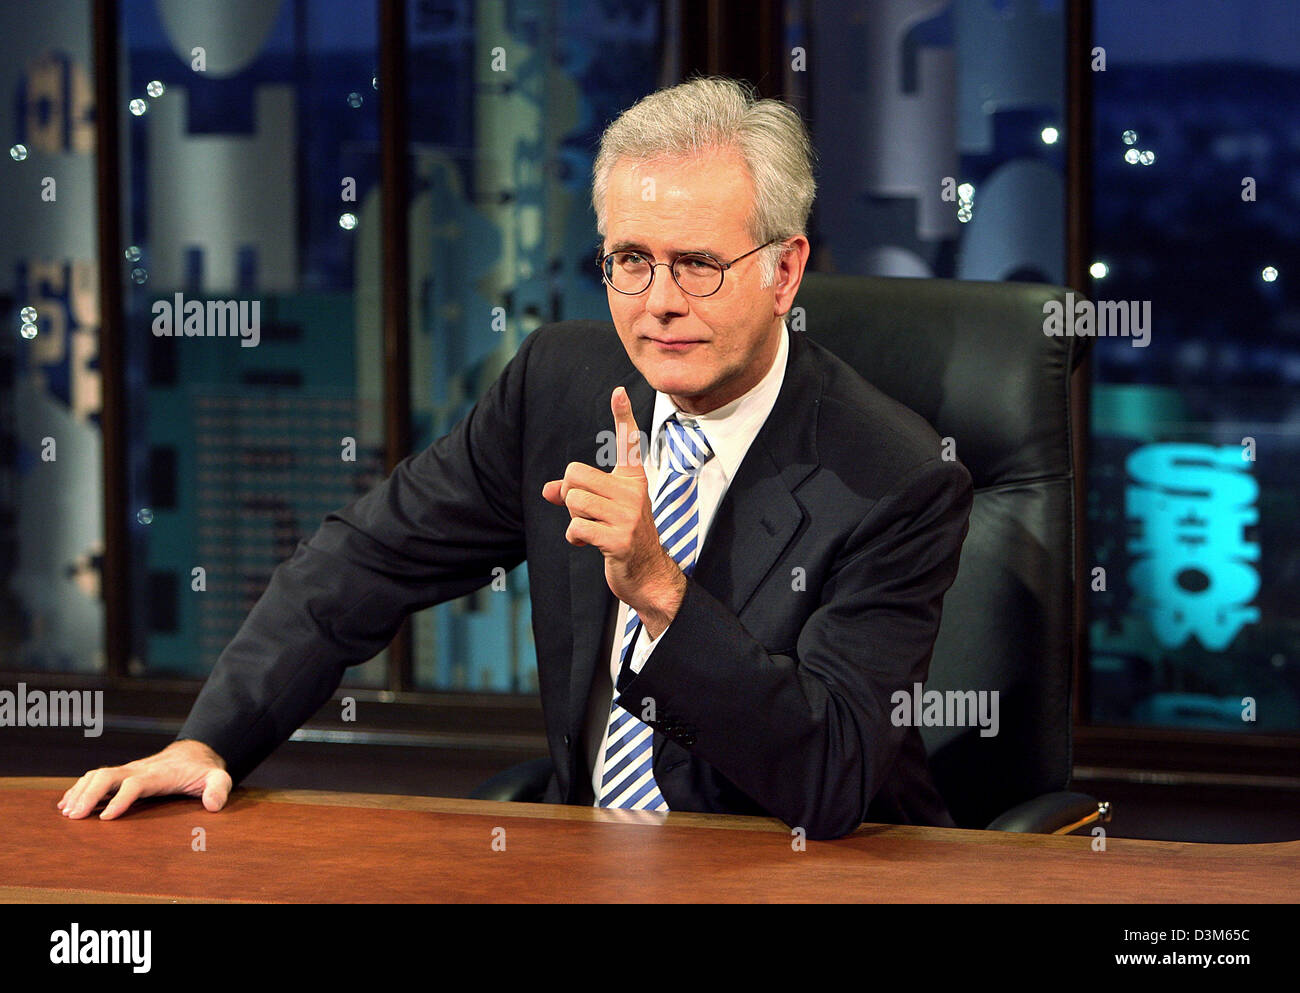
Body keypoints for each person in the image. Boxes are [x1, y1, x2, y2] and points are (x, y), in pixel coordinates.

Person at [59, 76, 972, 840]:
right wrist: (209, 741)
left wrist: (663, 593)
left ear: (785, 269)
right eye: (629, 260)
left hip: (801, 875)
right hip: (583, 866)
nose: (657, 303)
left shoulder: (893, 477)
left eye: (697, 264)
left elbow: (834, 779)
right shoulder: (561, 384)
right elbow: (366, 558)